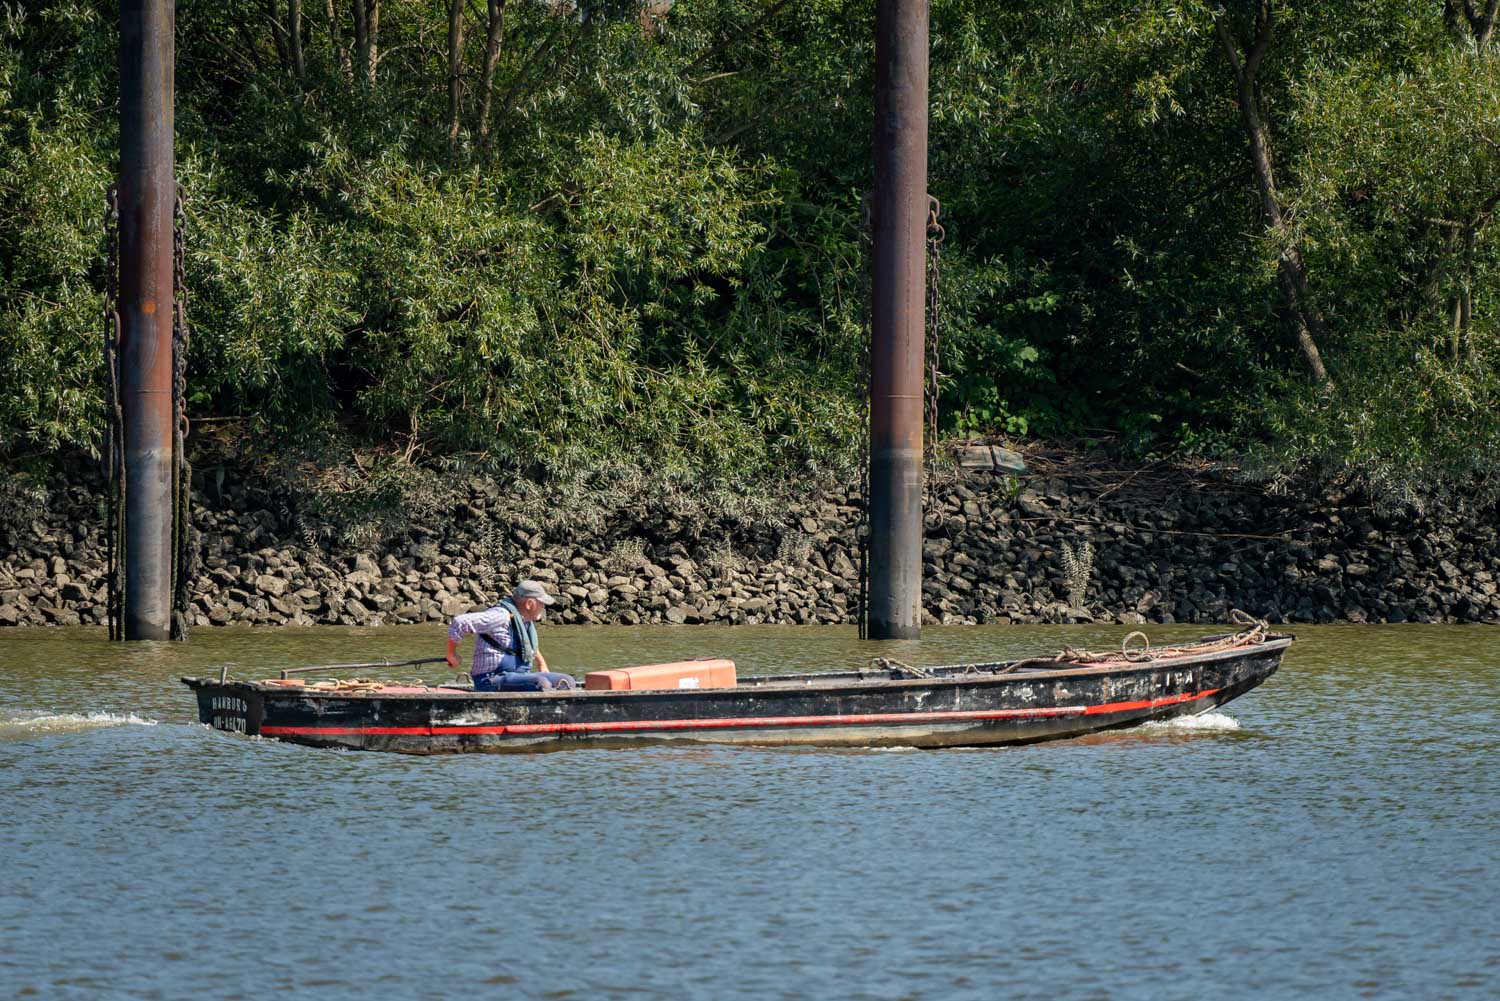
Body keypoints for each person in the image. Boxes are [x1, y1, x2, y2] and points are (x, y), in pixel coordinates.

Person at [446, 580, 576, 691]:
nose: (543, 607)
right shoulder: (501, 616)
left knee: (567, 681)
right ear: (529, 604)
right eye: (541, 603)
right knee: (541, 683)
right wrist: (451, 655)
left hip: (518, 676)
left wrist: (541, 663)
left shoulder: (524, 619)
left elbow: (526, 644)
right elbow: (460, 622)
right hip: (490, 679)